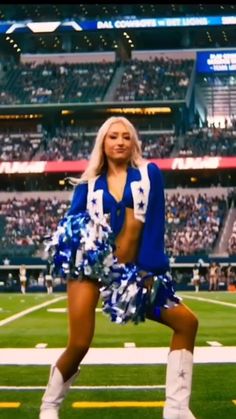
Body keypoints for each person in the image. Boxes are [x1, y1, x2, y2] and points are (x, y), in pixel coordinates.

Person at [39, 116, 198, 419]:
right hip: (93, 268)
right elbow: (71, 225)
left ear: (134, 142)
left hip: (136, 269)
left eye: (126, 136)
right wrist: (82, 250)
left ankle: (177, 409)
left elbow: (154, 224)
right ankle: (50, 406)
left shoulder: (149, 174)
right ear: (103, 142)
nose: (120, 141)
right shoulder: (88, 184)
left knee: (186, 323)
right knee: (80, 342)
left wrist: (149, 270)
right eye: (113, 136)